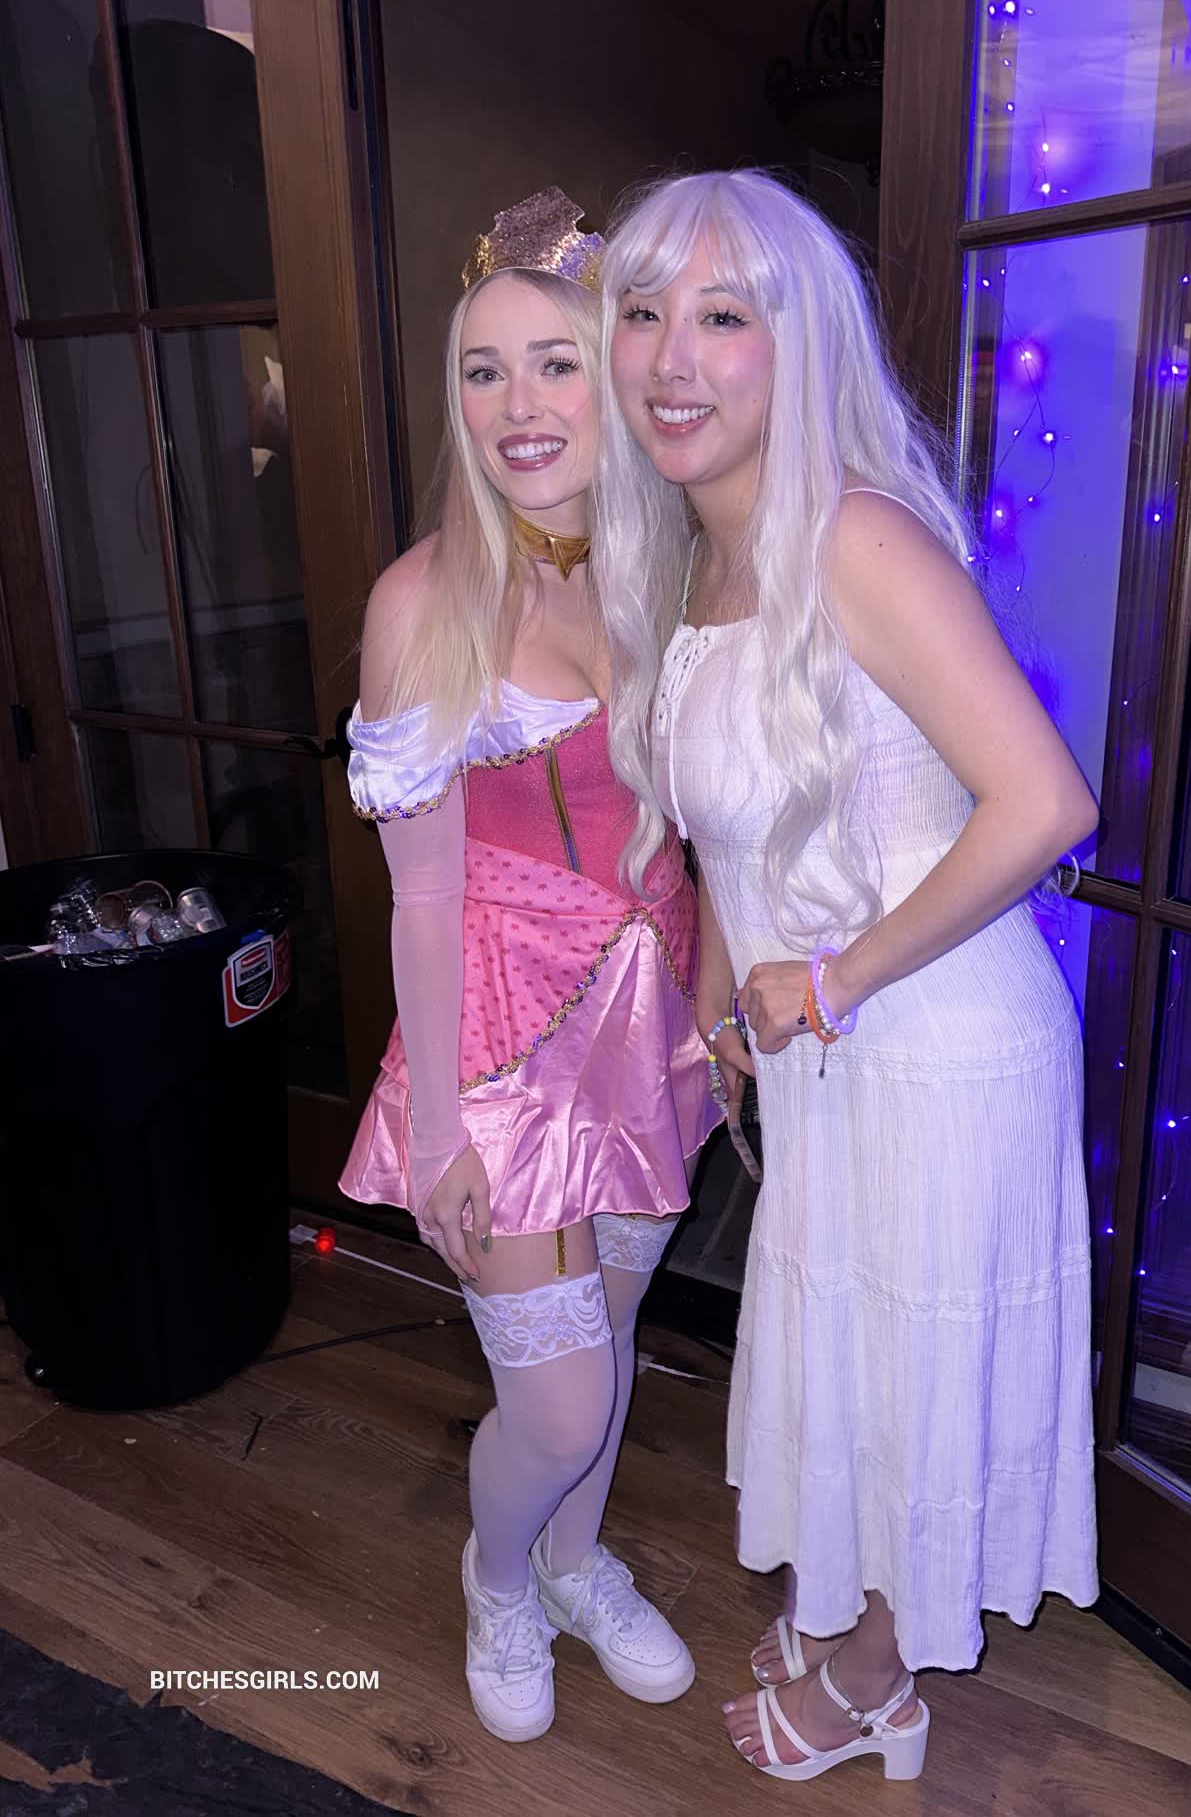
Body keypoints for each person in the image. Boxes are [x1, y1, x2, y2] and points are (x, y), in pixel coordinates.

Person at [597, 170, 1100, 1784]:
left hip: (936, 1040)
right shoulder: (696, 564)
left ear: (799, 346)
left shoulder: (858, 542)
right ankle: (851, 1614)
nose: (673, 357)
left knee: (916, 1365)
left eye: (723, 316)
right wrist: (729, 1001)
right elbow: (731, 845)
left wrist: (824, 981)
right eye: (645, 313)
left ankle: (882, 1675)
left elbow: (1047, 803)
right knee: (861, 1361)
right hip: (831, 1044)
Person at [339, 190, 718, 1744]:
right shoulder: (423, 600)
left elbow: (711, 833)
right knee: (555, 1402)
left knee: (608, 1347)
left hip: (653, 1024)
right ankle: (501, 1576)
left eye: (555, 363)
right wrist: (436, 1125)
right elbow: (423, 897)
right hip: (497, 1038)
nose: (518, 405)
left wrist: (718, 1014)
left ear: (617, 376)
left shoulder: (672, 567)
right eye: (483, 371)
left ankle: (573, 1563)